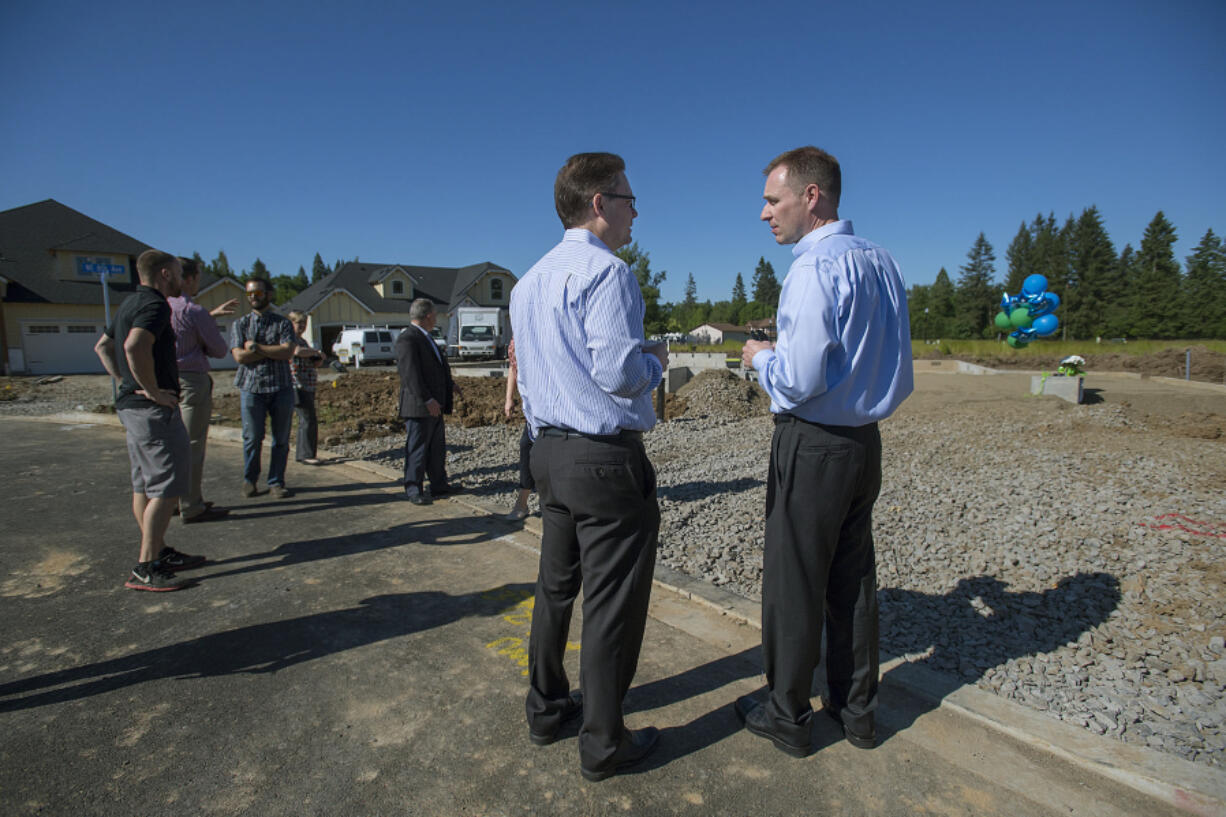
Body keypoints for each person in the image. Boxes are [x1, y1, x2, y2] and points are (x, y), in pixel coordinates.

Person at [736, 146, 913, 756]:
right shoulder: (883, 262)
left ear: (811, 197)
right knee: (853, 580)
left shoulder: (813, 268)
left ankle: (787, 714)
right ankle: (856, 710)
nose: (764, 214)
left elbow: (801, 378)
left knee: (794, 581)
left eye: (772, 199)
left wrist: (760, 361)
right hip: (865, 443)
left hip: (813, 444)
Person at [509, 152, 667, 782]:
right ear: (600, 203)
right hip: (601, 458)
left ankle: (546, 708)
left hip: (546, 450)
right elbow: (617, 372)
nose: (635, 211)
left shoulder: (528, 281)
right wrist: (653, 359)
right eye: (628, 198)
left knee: (555, 587)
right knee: (610, 600)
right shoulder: (607, 273)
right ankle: (604, 742)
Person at [94, 250, 207, 591]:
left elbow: (102, 347)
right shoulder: (156, 306)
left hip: (131, 408)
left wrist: (128, 385)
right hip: (152, 412)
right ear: (164, 274)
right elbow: (133, 346)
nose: (181, 278)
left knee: (144, 484)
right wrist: (153, 390)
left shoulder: (128, 305)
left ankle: (158, 550)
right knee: (170, 484)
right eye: (176, 272)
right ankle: (147, 565)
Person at [169, 257, 237, 523]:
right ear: (187, 279)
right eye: (197, 277)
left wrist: (212, 315)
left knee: (171, 445)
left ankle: (170, 500)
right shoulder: (193, 311)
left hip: (164, 381)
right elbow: (219, 350)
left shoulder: (162, 307)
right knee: (192, 444)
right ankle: (191, 504)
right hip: (191, 381)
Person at [229, 277, 297, 499]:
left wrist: (256, 347)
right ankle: (250, 480)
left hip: (281, 387)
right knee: (252, 437)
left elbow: (287, 352)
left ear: (268, 294)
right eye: (249, 294)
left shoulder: (283, 323)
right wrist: (271, 350)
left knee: (281, 439)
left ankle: (276, 481)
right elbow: (239, 356)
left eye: (257, 293)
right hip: (251, 387)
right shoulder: (240, 324)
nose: (253, 298)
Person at [395, 298, 462, 505]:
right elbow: (410, 375)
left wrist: (450, 385)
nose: (436, 318)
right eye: (434, 314)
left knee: (436, 448)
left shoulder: (427, 338)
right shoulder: (408, 339)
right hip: (420, 407)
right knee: (417, 448)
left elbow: (436, 368)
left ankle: (439, 485)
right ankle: (414, 488)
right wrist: (427, 399)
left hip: (435, 405)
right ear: (428, 316)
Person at [287, 310, 325, 465]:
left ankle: (306, 452)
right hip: (297, 384)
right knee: (307, 419)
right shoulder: (289, 340)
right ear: (290, 323)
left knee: (309, 419)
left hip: (308, 384)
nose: (302, 326)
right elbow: (297, 352)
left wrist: (319, 358)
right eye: (298, 323)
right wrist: (315, 351)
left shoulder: (303, 341)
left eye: (304, 323)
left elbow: (312, 362)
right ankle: (306, 454)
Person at [502, 338, 533, 520]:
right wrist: (509, 398)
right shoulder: (518, 333)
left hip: (549, 400)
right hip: (532, 406)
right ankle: (522, 503)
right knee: (526, 448)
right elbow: (513, 368)